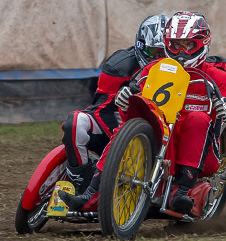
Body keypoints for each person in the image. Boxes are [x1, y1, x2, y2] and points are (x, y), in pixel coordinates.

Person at [61, 12, 226, 215]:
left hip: (202, 154)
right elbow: (133, 117)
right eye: (175, 45)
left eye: (188, 46)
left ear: (202, 45)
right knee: (133, 120)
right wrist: (125, 103)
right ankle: (91, 192)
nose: (181, 52)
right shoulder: (153, 70)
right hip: (158, 145)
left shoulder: (220, 78)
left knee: (198, 118)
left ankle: (182, 191)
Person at [57, 15, 168, 201]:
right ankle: (81, 179)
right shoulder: (119, 66)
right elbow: (100, 110)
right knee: (76, 122)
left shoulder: (182, 69)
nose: (158, 58)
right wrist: (120, 142)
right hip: (115, 127)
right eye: (153, 51)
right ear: (141, 47)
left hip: (160, 137)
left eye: (163, 53)